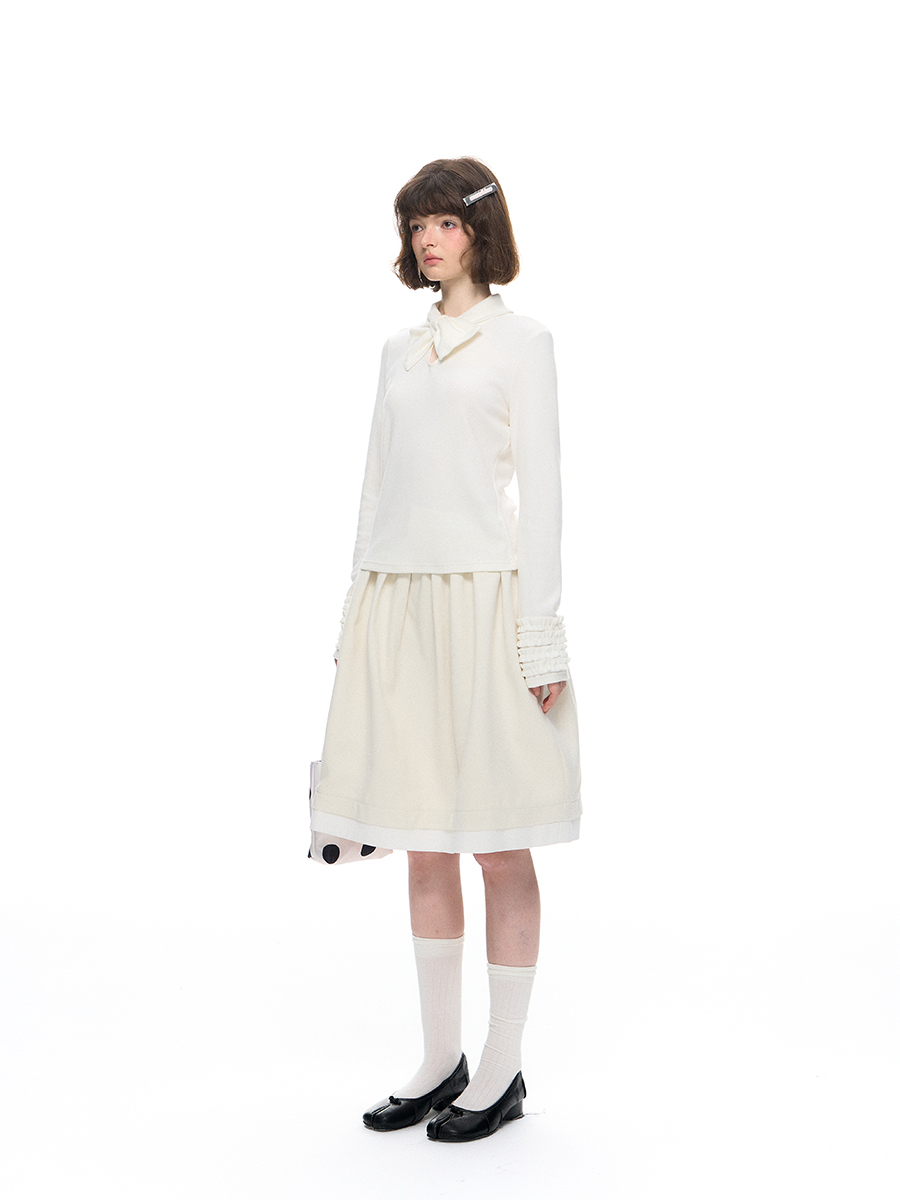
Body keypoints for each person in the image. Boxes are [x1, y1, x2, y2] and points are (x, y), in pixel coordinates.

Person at [311, 157, 581, 1143]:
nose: (428, 240)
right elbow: (374, 489)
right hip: (401, 604)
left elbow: (543, 498)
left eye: (445, 224)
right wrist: (356, 616)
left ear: (480, 230)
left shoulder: (522, 342)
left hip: (484, 606)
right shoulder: (400, 350)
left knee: (498, 840)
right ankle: (440, 1061)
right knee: (420, 836)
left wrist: (539, 637)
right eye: (416, 225)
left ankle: (502, 1067)